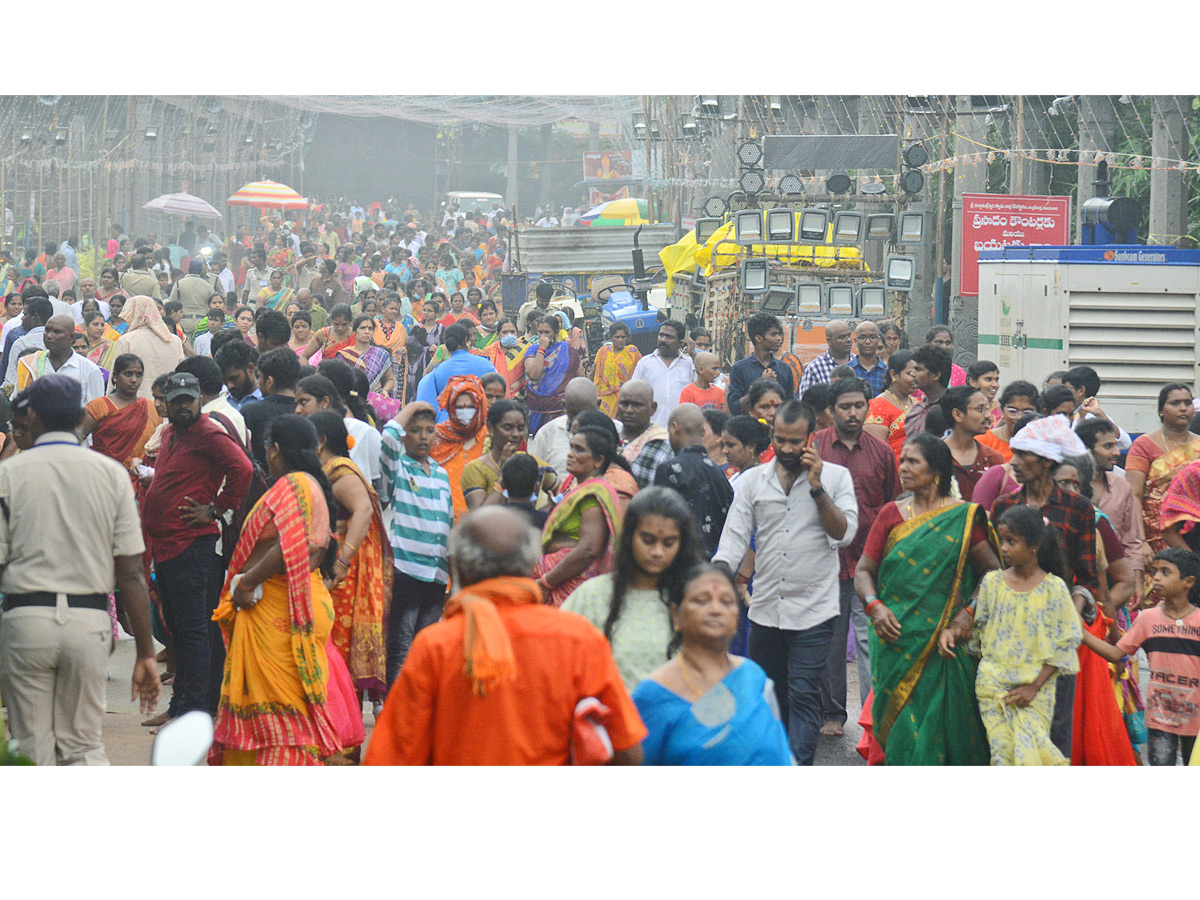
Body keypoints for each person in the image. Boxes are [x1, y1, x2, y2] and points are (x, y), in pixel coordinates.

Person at [364, 506, 646, 765]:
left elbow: (392, 757)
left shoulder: (436, 645)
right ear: (529, 565)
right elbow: (626, 749)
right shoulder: (579, 638)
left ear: (460, 569)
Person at [0, 376, 161, 765]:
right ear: (78, 417)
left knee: (28, 747)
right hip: (88, 623)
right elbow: (131, 573)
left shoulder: (9, 475)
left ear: (32, 417)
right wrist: (145, 652)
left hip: (26, 620)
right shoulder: (109, 475)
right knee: (84, 746)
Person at [713, 401, 858, 765]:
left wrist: (817, 488)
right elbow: (733, 538)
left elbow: (843, 534)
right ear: (772, 438)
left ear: (810, 438)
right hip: (765, 610)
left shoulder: (836, 478)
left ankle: (799, 766)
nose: (788, 448)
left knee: (804, 695)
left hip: (815, 611)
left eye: (796, 441)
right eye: (781, 440)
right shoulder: (753, 482)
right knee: (772, 695)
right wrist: (715, 578)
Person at [208, 415, 351, 765]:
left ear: (274, 449)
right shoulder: (308, 484)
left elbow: (297, 544)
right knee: (282, 711)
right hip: (286, 600)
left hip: (278, 604)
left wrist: (249, 580)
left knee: (282, 721)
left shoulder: (295, 485)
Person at [854, 432, 1000, 765]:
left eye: (912, 461)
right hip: (897, 641)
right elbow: (864, 571)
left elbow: (993, 573)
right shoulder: (891, 514)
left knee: (950, 733)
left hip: (948, 647)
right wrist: (875, 606)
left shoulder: (964, 517)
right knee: (905, 731)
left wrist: (968, 612)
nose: (902, 467)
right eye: (901, 460)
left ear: (935, 470)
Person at [977, 414, 1100, 759]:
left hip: (1053, 636)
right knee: (1002, 729)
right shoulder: (1004, 507)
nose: (1013, 463)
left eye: (1023, 456)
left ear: (1046, 461)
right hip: (1009, 634)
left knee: (1055, 725)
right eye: (1013, 454)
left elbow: (1087, 576)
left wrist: (1069, 614)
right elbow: (994, 570)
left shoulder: (1078, 509)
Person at [140, 372, 254, 731]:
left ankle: (194, 714)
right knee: (178, 628)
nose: (185, 406)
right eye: (178, 401)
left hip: (192, 545)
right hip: (167, 545)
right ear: (168, 402)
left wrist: (218, 508)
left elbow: (243, 469)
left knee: (193, 631)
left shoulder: (208, 432)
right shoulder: (173, 432)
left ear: (199, 400)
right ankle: (180, 707)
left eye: (190, 399)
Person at [944, 505, 1082, 765]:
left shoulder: (1054, 589)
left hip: (1035, 691)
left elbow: (1065, 643)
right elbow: (980, 633)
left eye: (1011, 541)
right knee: (1002, 755)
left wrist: (1034, 686)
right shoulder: (992, 583)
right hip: (993, 688)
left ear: (1035, 545)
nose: (1003, 548)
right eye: (1002, 540)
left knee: (1031, 757)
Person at [632, 564, 793, 765]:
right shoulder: (653, 695)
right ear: (676, 615)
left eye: (727, 602)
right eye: (702, 600)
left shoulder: (752, 677)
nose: (716, 610)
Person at [812, 377, 901, 737]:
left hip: (869, 562)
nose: (853, 413)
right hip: (825, 561)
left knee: (869, 642)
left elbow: (893, 506)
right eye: (845, 407)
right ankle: (832, 713)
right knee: (830, 642)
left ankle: (871, 717)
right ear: (831, 411)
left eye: (859, 406)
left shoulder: (882, 453)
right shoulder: (814, 448)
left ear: (868, 407)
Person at [563, 487, 705, 691]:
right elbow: (560, 657)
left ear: (681, 545)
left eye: (668, 543)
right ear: (630, 537)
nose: (657, 552)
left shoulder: (692, 599)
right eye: (648, 541)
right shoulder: (593, 595)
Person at [1079, 547, 1200, 766]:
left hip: (1197, 722)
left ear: (1188, 582)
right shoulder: (1148, 619)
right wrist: (1082, 633)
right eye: (1155, 571)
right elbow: (1116, 653)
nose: (1156, 578)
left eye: (1165, 572)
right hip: (1160, 720)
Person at [308, 411, 391, 700]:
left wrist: (343, 560)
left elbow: (364, 510)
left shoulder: (340, 471)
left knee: (337, 648)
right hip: (334, 568)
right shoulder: (327, 470)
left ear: (320, 442)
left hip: (344, 573)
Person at [379, 400, 454, 687]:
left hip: (435, 572)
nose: (424, 437)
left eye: (429, 430)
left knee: (425, 650)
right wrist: (417, 405)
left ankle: (417, 713)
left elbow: (446, 522)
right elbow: (387, 437)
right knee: (400, 646)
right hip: (405, 568)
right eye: (415, 430)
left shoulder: (440, 473)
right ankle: (394, 711)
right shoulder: (398, 467)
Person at [534, 425, 626, 607]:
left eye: (579, 450)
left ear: (599, 461)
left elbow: (589, 549)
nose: (570, 454)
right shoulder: (581, 488)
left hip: (571, 591)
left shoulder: (593, 494)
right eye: (571, 447)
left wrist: (545, 583)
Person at [1125, 383, 1200, 555]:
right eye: (1175, 403)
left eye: (1187, 403)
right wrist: (1141, 541)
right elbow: (1134, 495)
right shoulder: (1143, 445)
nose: (1183, 408)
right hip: (1154, 533)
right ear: (1161, 410)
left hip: (1192, 531)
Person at [653, 403, 734, 558]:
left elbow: (659, 522)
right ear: (702, 432)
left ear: (675, 428)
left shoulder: (669, 469)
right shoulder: (719, 473)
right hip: (712, 565)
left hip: (678, 563)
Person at [1078, 416, 1146, 597]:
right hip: (1078, 578)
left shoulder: (1121, 485)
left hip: (1116, 580)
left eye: (1115, 445)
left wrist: (1136, 583)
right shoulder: (1069, 486)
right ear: (1086, 450)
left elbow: (1132, 540)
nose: (1116, 452)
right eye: (1108, 446)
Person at [79, 353, 160, 467]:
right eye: (128, 374)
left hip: (139, 478)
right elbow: (76, 439)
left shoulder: (151, 409)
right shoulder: (99, 406)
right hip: (103, 475)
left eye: (139, 375)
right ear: (115, 376)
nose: (134, 380)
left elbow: (157, 448)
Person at [415, 323, 498, 424]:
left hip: (446, 425)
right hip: (478, 424)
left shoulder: (438, 371)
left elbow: (426, 404)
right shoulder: (486, 365)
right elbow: (497, 394)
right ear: (467, 342)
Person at [15, 314, 105, 406]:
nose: (49, 336)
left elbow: (95, 413)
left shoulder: (89, 370)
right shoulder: (30, 364)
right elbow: (19, 405)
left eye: (57, 332)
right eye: (47, 330)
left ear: (71, 338)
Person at [431, 375, 489, 518]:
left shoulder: (489, 437)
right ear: (451, 408)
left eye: (470, 407)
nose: (465, 411)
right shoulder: (437, 437)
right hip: (441, 520)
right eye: (459, 407)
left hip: (479, 522)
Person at [463, 399, 537, 511]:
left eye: (520, 428)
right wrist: (504, 474)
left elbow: (560, 490)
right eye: (508, 428)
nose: (516, 434)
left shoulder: (528, 463)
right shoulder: (475, 469)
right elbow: (480, 516)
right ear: (491, 428)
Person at [110, 295, 184, 401]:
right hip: (168, 403)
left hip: (136, 405)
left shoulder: (127, 340)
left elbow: (115, 376)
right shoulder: (174, 340)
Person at [938, 385, 1005, 499]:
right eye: (980, 409)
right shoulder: (933, 456)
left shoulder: (992, 458)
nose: (988, 415)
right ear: (958, 415)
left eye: (987, 409)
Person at [528, 377, 601, 481]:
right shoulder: (547, 433)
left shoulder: (615, 431)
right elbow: (534, 475)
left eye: (586, 414)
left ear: (598, 405)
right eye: (575, 414)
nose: (580, 421)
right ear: (564, 406)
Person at [631, 320, 695, 429]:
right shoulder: (645, 363)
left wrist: (693, 353)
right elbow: (634, 394)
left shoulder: (689, 363)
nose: (663, 340)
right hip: (652, 430)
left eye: (669, 337)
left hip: (682, 429)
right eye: (661, 335)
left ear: (680, 342)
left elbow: (700, 388)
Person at [523, 315, 582, 434]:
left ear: (555, 332)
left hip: (562, 407)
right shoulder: (532, 350)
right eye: (540, 332)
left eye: (547, 332)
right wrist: (542, 349)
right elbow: (533, 374)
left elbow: (579, 376)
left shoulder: (568, 350)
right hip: (539, 406)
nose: (542, 336)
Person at [725, 314, 793, 416]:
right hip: (750, 429)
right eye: (773, 335)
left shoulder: (784, 369)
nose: (779, 338)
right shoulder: (740, 369)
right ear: (758, 338)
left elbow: (790, 406)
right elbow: (735, 408)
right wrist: (761, 384)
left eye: (779, 334)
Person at [1064, 364, 1133, 450]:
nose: (1063, 392)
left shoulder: (1093, 417)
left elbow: (1125, 443)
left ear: (1081, 390)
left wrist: (1100, 414)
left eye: (1067, 388)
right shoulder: (1066, 412)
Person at [618, 379, 672, 488]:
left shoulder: (663, 446)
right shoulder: (609, 437)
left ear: (653, 408)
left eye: (636, 405)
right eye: (624, 404)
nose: (629, 410)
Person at [864, 349, 915, 460]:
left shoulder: (918, 403)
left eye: (917, 372)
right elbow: (875, 455)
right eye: (910, 374)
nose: (915, 377)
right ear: (894, 375)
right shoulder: (878, 406)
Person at [977, 379, 1039, 463]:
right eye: (1012, 411)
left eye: (1027, 412)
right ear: (1002, 410)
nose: (1019, 417)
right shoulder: (983, 441)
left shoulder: (1041, 443)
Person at [337, 314, 396, 399]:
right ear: (354, 331)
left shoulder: (381, 355)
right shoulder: (344, 355)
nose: (367, 332)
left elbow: (389, 379)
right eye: (362, 328)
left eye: (370, 329)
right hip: (349, 399)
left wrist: (385, 390)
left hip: (373, 399)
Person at [592, 322, 641, 417]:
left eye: (623, 337)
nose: (620, 340)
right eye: (617, 337)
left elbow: (642, 372)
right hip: (604, 399)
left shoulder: (632, 352)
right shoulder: (603, 352)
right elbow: (593, 373)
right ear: (611, 337)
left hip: (624, 399)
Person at [902, 343, 951, 440]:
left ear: (936, 376)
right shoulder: (916, 410)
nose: (912, 374)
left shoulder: (952, 412)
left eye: (918, 370)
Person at [798, 319, 853, 394]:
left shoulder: (859, 363)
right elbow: (805, 402)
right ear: (829, 341)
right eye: (842, 337)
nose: (848, 340)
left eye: (849, 335)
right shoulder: (815, 368)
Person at [722, 415, 770, 490]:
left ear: (751, 446)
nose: (724, 450)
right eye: (723, 445)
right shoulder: (737, 476)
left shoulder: (758, 478)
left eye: (730, 445)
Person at [485, 317, 527, 399]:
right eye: (505, 332)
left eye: (512, 332)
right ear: (498, 335)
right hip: (494, 397)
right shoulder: (490, 351)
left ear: (517, 333)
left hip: (519, 397)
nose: (509, 335)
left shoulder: (525, 349)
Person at [847, 320, 886, 396]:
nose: (868, 341)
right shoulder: (847, 371)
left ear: (878, 340)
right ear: (855, 341)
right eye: (862, 337)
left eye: (872, 337)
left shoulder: (887, 372)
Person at [967, 359, 1002, 425]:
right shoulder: (964, 411)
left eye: (996, 380)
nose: (995, 385)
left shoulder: (1002, 411)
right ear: (972, 382)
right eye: (988, 379)